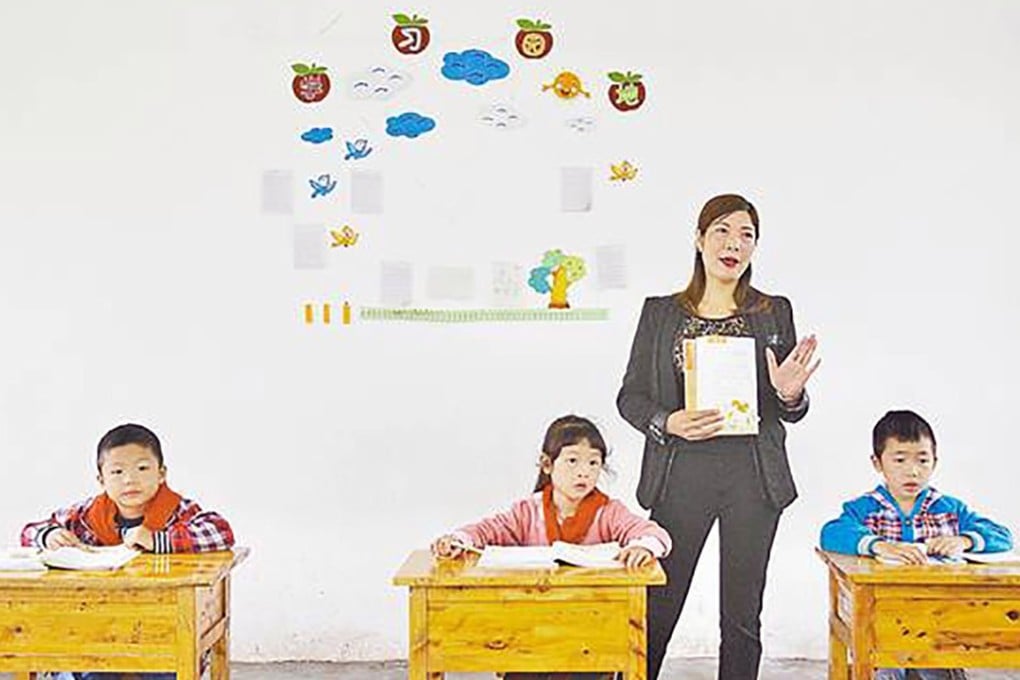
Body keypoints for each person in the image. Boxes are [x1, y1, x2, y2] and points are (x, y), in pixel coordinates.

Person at [617, 193, 819, 679]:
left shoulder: (773, 312)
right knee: (659, 603)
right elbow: (630, 398)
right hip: (681, 473)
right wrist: (668, 421)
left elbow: (788, 407)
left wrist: (790, 394)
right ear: (699, 239)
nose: (734, 244)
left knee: (742, 615)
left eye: (747, 234)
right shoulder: (661, 313)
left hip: (754, 478)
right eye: (723, 231)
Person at [432, 414, 673, 680]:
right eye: (572, 460)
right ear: (547, 464)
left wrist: (644, 546)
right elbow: (486, 530)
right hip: (533, 630)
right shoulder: (527, 511)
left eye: (594, 463)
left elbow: (653, 532)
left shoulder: (608, 512)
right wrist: (458, 540)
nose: (584, 471)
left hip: (591, 632)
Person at [21, 423, 235, 680]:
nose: (130, 480)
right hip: (98, 628)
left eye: (142, 468)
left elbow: (220, 531)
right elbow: (30, 532)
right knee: (82, 667)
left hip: (162, 628)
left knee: (166, 671)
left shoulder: (177, 511)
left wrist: (157, 540)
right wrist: (50, 535)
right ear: (102, 480)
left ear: (161, 473)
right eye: (117, 471)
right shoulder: (88, 514)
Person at [820, 409, 1013, 680]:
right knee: (886, 667)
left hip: (939, 622)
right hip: (883, 621)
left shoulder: (948, 509)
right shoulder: (865, 509)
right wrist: (878, 545)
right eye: (899, 460)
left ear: (935, 462)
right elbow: (831, 533)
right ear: (878, 463)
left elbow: (1002, 535)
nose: (913, 471)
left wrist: (964, 539)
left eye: (923, 460)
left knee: (938, 668)